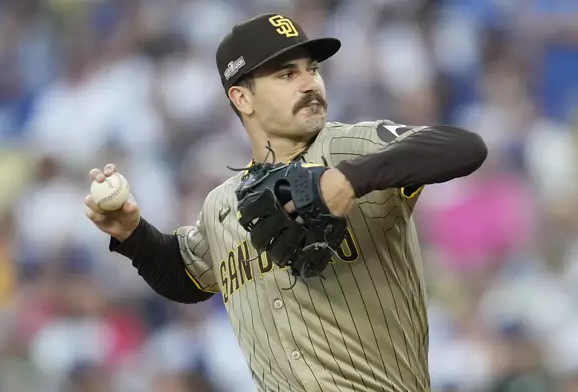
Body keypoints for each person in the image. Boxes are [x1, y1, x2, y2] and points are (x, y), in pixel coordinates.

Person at [84, 13, 488, 392]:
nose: (310, 82)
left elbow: (464, 147)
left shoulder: (352, 145)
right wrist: (132, 235)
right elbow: (188, 278)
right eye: (287, 74)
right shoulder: (222, 204)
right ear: (243, 98)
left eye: (312, 68)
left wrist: (347, 179)